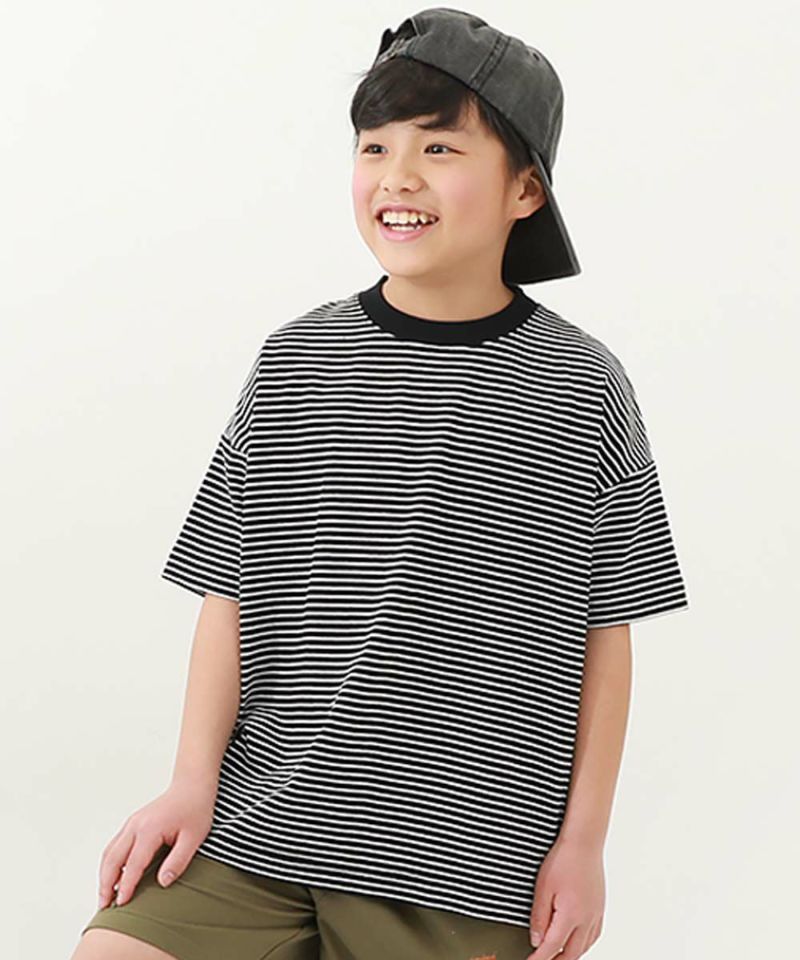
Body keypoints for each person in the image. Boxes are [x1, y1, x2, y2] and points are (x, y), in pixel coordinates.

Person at [72, 8, 689, 960]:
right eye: (374, 147)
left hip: (464, 864)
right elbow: (228, 588)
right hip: (256, 827)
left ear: (526, 188)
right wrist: (191, 783)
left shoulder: (581, 384)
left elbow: (607, 630)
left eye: (439, 148)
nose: (398, 176)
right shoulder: (295, 359)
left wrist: (584, 844)